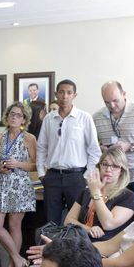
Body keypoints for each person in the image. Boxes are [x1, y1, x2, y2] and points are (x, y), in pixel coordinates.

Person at [36, 79, 101, 224]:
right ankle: (51, 240)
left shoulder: (84, 118)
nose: (65, 96)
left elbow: (94, 150)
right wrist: (41, 173)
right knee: (51, 221)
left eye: (69, 93)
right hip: (52, 176)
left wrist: (86, 175)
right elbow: (41, 148)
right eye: (61, 92)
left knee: (78, 221)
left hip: (76, 177)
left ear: (74, 95)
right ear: (56, 94)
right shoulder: (48, 119)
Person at [0, 102, 37, 267]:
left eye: (18, 115)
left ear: (24, 119)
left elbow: (36, 165)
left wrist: (19, 164)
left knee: (14, 226)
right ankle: (18, 259)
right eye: (11, 114)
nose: (14, 117)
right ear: (7, 117)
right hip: (1, 183)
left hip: (20, 185)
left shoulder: (29, 138)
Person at [92, 81, 134, 194]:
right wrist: (103, 149)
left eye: (115, 101)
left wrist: (130, 146)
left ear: (124, 94)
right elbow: (93, 145)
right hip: (111, 178)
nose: (112, 106)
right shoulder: (97, 117)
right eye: (107, 102)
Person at [64, 147, 134, 242]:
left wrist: (96, 193)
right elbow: (68, 220)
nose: (108, 169)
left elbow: (108, 224)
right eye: (105, 164)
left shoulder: (128, 197)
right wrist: (87, 229)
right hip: (79, 241)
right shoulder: (87, 192)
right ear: (99, 167)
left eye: (115, 166)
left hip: (105, 246)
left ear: (121, 171)